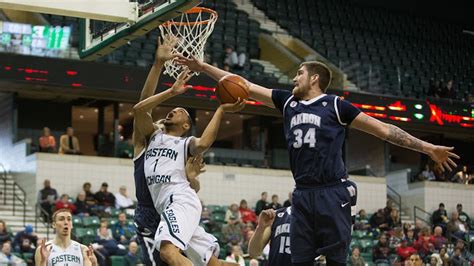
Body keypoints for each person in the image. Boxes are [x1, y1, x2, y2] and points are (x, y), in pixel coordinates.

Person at [176, 56, 458, 265]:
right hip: (302, 194)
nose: (294, 78)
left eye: (299, 73)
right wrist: (203, 68)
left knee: (336, 260)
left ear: (314, 78)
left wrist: (427, 148)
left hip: (332, 191)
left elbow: (385, 130)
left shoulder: (336, 106)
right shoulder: (288, 102)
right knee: (299, 260)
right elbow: (245, 86)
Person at [132, 36, 239, 266]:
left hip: (174, 204)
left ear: (186, 125)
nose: (172, 111)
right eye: (170, 110)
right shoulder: (148, 138)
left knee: (170, 255)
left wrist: (220, 111)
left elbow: (193, 177)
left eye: (179, 111)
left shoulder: (185, 145)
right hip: (154, 211)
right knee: (212, 263)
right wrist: (159, 67)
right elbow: (141, 107)